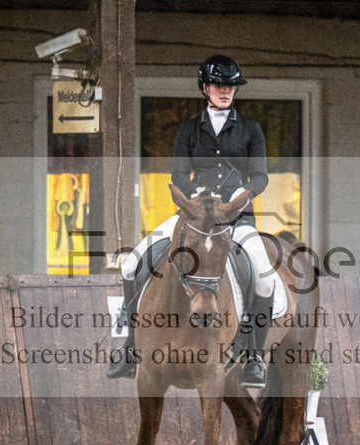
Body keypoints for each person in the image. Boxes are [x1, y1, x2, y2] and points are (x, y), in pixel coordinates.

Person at [107, 54, 274, 388]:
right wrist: (193, 191)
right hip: (195, 215)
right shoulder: (187, 129)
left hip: (234, 217)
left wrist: (241, 193)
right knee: (132, 265)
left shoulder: (251, 130)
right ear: (205, 87)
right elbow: (178, 173)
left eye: (230, 86)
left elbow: (261, 176)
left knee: (265, 280)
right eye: (218, 85)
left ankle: (253, 356)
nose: (225, 91)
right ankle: (129, 349)